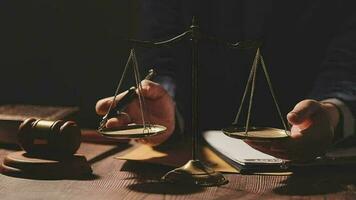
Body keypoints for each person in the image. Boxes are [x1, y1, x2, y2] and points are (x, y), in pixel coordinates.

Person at [96, 1, 356, 161]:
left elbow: (348, 59)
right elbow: (161, 52)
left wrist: (332, 112)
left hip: (320, 156)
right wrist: (166, 105)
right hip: (194, 146)